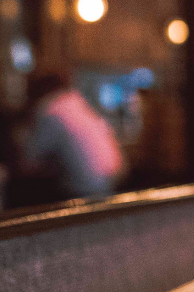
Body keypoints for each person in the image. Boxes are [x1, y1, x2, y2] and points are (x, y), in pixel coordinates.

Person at [15, 70, 124, 202]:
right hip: (114, 182)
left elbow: (28, 163)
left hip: (84, 191)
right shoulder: (78, 103)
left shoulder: (50, 110)